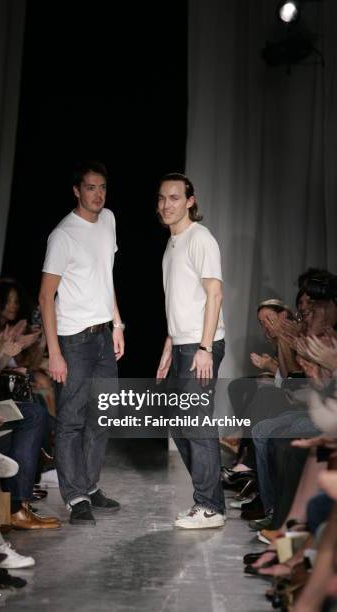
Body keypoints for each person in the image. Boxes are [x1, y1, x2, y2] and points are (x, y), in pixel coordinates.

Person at [39, 161, 125, 526]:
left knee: (103, 414)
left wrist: (118, 323)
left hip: (104, 334)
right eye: (91, 187)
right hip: (73, 339)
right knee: (72, 420)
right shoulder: (63, 235)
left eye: (102, 187)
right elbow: (46, 297)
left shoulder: (108, 220)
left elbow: (106, 278)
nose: (98, 194)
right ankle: (75, 498)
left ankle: (89, 486)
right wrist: (54, 352)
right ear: (77, 191)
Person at [156, 172, 226, 529]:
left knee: (196, 424)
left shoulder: (201, 239)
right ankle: (211, 499)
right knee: (178, 423)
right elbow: (180, 301)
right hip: (182, 344)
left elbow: (214, 294)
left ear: (190, 201)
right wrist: (170, 341)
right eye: (162, 199)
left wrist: (204, 347)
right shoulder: (172, 245)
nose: (166, 205)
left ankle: (209, 506)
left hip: (201, 346)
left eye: (174, 198)